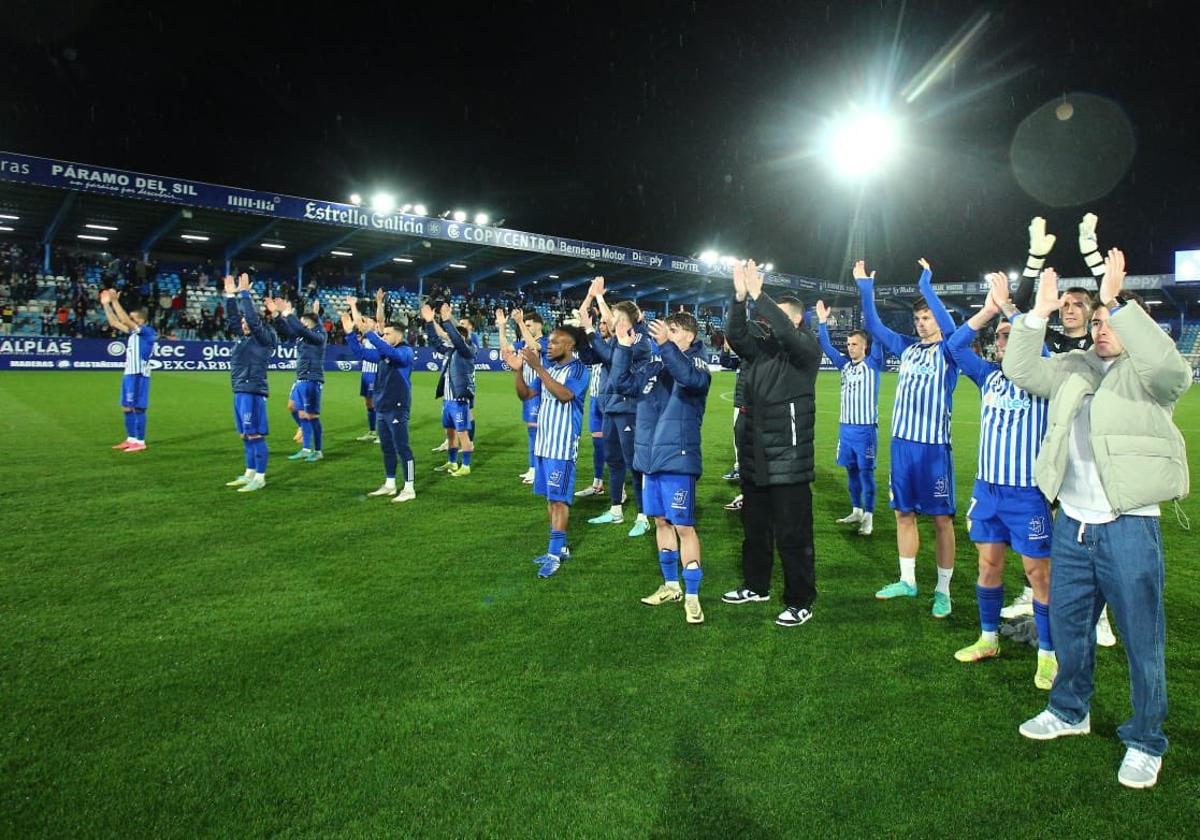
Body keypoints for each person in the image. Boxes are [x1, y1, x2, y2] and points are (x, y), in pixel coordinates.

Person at [1004, 251, 1191, 790]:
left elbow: (1173, 370)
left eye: (1111, 318)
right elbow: (1021, 369)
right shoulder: (1074, 367)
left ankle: (1145, 739)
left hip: (1128, 525)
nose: (1104, 326)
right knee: (1069, 631)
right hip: (1073, 525)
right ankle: (1069, 710)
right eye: (1100, 320)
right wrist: (1036, 314)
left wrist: (1117, 299)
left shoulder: (1148, 375)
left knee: (1141, 640)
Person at [923, 275, 1056, 690]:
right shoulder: (988, 376)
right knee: (988, 565)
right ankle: (988, 638)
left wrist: (1016, 313)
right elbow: (953, 346)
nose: (1003, 340)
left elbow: (1037, 340)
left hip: (1028, 494)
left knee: (1039, 574)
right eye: (999, 336)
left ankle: (1050, 653)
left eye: (1010, 336)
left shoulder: (1044, 375)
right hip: (988, 491)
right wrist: (989, 312)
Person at [1002, 216, 1118, 648]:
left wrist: (1091, 252)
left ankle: (1100, 614)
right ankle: (1037, 592)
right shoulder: (1046, 346)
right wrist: (1033, 261)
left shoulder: (1102, 349)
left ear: (1091, 313)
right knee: (1050, 534)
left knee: (1097, 542)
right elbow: (1022, 311)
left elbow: (1119, 305)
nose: (1067, 308)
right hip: (1049, 452)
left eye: (1076, 304)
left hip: (1093, 454)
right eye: (1064, 304)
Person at [720, 260, 822, 628]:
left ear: (794, 320)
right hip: (756, 455)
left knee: (794, 534)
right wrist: (739, 297)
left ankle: (800, 600)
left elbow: (785, 330)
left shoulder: (806, 351)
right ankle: (756, 585)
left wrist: (761, 296)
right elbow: (734, 333)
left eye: (776, 317)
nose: (767, 322)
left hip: (789, 458)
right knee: (755, 527)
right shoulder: (760, 351)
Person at [856, 258, 959, 618]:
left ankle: (943, 591)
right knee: (903, 513)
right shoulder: (907, 348)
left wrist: (927, 287)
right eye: (918, 318)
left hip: (933, 449)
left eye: (926, 317)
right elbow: (873, 326)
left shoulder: (951, 351)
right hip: (902, 445)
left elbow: (949, 326)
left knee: (941, 520)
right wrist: (865, 289)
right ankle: (908, 580)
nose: (921, 323)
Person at [612, 312, 711, 624]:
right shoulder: (654, 367)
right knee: (661, 524)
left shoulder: (697, 365)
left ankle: (693, 597)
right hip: (650, 461)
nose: (665, 334)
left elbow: (687, 378)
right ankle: (671, 586)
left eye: (673, 331)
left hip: (678, 460)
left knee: (683, 527)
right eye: (665, 330)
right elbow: (621, 384)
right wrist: (623, 347)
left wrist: (666, 346)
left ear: (690, 336)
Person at [507, 325, 590, 578]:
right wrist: (519, 371)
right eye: (549, 342)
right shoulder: (551, 369)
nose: (548, 346)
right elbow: (526, 395)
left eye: (554, 342)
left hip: (562, 446)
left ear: (570, 345)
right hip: (543, 445)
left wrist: (539, 367)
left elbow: (565, 395)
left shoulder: (578, 370)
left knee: (559, 500)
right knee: (550, 499)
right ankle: (560, 547)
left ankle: (554, 554)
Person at [582, 278, 650, 537]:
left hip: (630, 407)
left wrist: (590, 332)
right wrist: (596, 298)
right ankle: (615, 510)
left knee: (635, 464)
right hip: (610, 405)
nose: (613, 322)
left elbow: (613, 357)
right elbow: (604, 351)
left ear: (631, 319)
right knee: (613, 461)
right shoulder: (617, 338)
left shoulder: (640, 339)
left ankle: (643, 515)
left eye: (618, 317)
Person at [814, 300, 884, 535]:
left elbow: (877, 332)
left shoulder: (873, 363)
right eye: (848, 344)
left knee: (866, 473)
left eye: (854, 344)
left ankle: (870, 517)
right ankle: (856, 510)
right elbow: (825, 344)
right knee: (851, 471)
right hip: (846, 429)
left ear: (865, 346)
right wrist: (822, 322)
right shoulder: (844, 366)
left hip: (865, 431)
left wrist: (869, 303)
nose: (850, 347)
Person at [346, 303, 417, 502]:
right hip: (382, 407)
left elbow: (392, 354)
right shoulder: (384, 352)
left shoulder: (405, 351)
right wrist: (350, 334)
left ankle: (409, 488)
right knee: (386, 447)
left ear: (398, 335)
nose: (384, 336)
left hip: (397, 407)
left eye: (387, 334)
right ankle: (390, 484)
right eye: (383, 334)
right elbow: (362, 354)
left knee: (402, 447)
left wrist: (370, 334)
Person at [222, 274, 278, 493]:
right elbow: (234, 319)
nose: (244, 324)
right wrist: (229, 295)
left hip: (252, 391)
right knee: (245, 434)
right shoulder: (243, 337)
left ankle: (261, 477)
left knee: (254, 434)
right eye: (243, 322)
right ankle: (249, 473)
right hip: (239, 390)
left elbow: (252, 320)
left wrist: (244, 293)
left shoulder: (265, 336)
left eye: (248, 321)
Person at [267, 296, 328, 463]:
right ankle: (306, 448)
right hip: (301, 378)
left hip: (312, 379)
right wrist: (276, 315)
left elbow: (299, 329)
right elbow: (286, 330)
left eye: (302, 322)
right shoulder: (304, 335)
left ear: (307, 323)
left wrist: (288, 313)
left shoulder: (319, 335)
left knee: (312, 416)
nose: (299, 324)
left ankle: (318, 450)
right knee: (296, 409)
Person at [99, 288, 157, 453]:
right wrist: (106, 305)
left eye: (133, 318)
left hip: (139, 374)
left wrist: (115, 301)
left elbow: (123, 319)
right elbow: (115, 323)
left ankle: (140, 441)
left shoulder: (147, 331)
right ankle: (131, 438)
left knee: (138, 407)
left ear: (141, 320)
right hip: (129, 374)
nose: (128, 320)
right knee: (126, 407)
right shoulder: (133, 333)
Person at [423, 302, 476, 476]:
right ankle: (452, 463)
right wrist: (430, 322)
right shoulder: (450, 352)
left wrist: (447, 321)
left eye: (451, 337)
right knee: (451, 435)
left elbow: (456, 339)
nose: (448, 338)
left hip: (459, 402)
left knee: (462, 435)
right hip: (447, 401)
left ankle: (466, 466)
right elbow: (435, 341)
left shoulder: (466, 351)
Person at [497, 307, 547, 485]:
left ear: (540, 325)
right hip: (527, 392)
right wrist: (502, 326)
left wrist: (518, 322)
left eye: (529, 325)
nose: (526, 327)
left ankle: (536, 470)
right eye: (524, 325)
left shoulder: (546, 342)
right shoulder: (523, 344)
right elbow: (505, 350)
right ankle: (533, 468)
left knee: (536, 432)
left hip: (540, 392)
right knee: (532, 431)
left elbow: (534, 346)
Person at [575, 307, 610, 498]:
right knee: (598, 443)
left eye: (606, 322)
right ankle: (598, 484)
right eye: (601, 323)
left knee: (616, 445)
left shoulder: (616, 344)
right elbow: (586, 357)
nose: (603, 326)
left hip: (611, 400)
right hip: (596, 399)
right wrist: (582, 328)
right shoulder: (596, 341)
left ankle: (620, 487)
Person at [349, 289, 384, 443]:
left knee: (378, 403)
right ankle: (372, 431)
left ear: (375, 325)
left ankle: (382, 432)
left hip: (377, 375)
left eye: (369, 321)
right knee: (368, 403)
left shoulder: (379, 334)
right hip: (366, 374)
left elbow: (380, 319)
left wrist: (379, 302)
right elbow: (357, 321)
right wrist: (352, 305)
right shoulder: (365, 338)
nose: (365, 322)